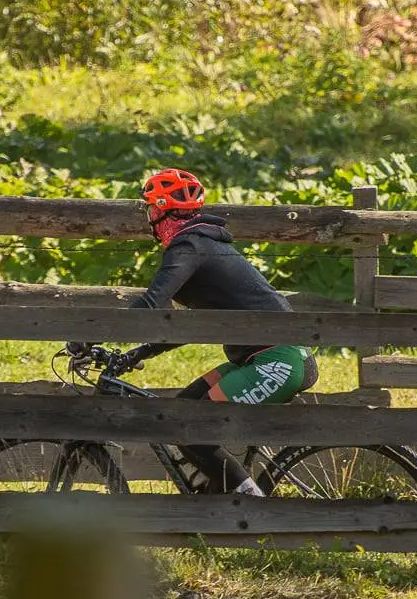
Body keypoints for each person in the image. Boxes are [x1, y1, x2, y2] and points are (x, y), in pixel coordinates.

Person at [74, 168, 319, 495]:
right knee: (181, 412)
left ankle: (252, 507)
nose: (148, 216)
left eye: (149, 208)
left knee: (189, 428)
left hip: (276, 362)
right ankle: (215, 509)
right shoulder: (199, 244)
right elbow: (187, 324)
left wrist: (88, 336)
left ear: (160, 211)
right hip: (258, 359)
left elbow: (150, 304)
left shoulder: (189, 246)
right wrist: (137, 354)